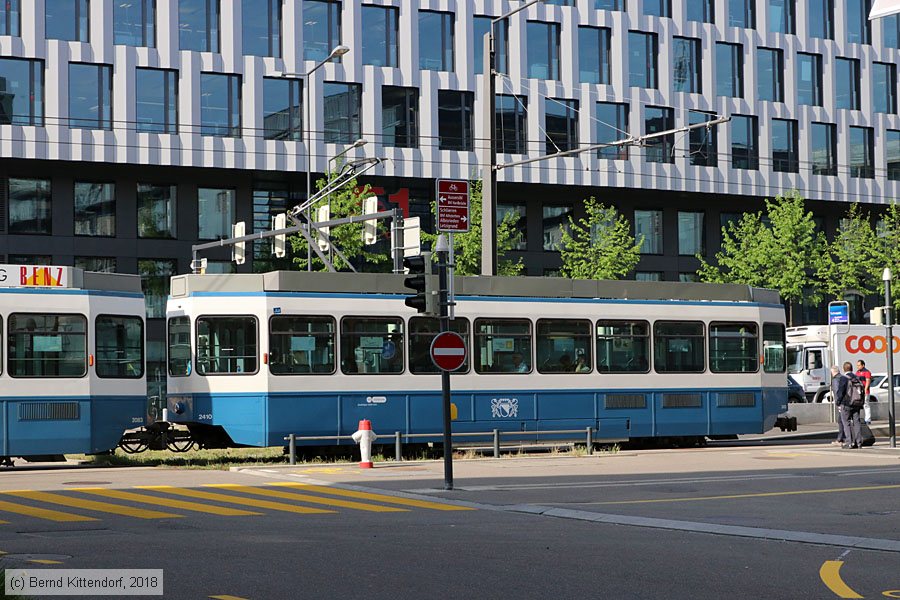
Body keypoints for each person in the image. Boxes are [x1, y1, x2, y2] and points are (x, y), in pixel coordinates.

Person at [838, 361, 863, 449]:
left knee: (846, 423)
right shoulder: (857, 377)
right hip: (857, 403)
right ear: (852, 369)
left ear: (844, 369)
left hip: (846, 403)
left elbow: (840, 392)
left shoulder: (844, 378)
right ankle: (858, 442)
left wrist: (838, 402)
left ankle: (849, 442)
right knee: (857, 423)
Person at [830, 365, 848, 446]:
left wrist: (838, 402)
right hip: (847, 402)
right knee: (843, 420)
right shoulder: (843, 378)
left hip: (841, 402)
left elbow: (837, 391)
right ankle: (843, 438)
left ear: (833, 372)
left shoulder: (835, 380)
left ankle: (841, 439)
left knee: (841, 421)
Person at [855, 359, 872, 425]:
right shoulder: (857, 372)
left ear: (863, 365)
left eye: (859, 365)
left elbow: (868, 381)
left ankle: (868, 419)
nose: (858, 367)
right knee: (859, 405)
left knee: (866, 405)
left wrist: (865, 389)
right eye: (857, 365)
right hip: (859, 391)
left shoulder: (867, 372)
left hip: (865, 391)